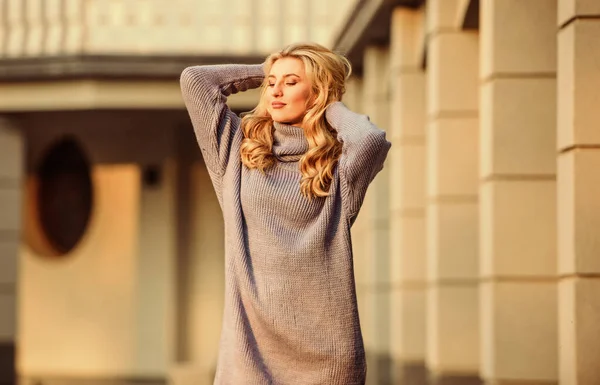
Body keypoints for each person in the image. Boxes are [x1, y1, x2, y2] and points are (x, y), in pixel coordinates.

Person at [180, 42, 391, 385]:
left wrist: (330, 104)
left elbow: (370, 140)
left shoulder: (338, 167)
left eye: (291, 82)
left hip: (327, 359)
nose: (275, 91)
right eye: (271, 83)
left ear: (318, 91)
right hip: (249, 357)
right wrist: (267, 69)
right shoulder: (237, 152)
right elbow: (196, 81)